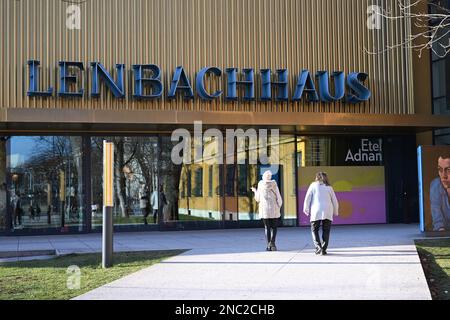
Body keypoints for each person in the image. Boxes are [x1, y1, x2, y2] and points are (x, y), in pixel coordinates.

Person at [303, 172, 339, 255]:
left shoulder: (313, 185)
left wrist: (306, 209)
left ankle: (318, 247)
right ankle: (324, 249)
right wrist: (336, 211)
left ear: (316, 177)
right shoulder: (329, 187)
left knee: (314, 229)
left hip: (316, 210)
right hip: (327, 210)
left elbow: (307, 197)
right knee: (326, 230)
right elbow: (335, 201)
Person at [251, 170, 283, 251]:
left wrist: (255, 191)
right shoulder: (274, 184)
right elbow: (278, 197)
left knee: (267, 227)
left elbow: (257, 198)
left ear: (263, 177)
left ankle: (268, 245)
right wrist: (279, 205)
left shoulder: (260, 184)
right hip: (274, 209)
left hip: (264, 209)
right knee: (274, 227)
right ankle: (273, 243)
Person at [430, 154, 450, 231]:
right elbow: (437, 218)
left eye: (448, 170)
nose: (443, 176)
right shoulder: (436, 185)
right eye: (440, 170)